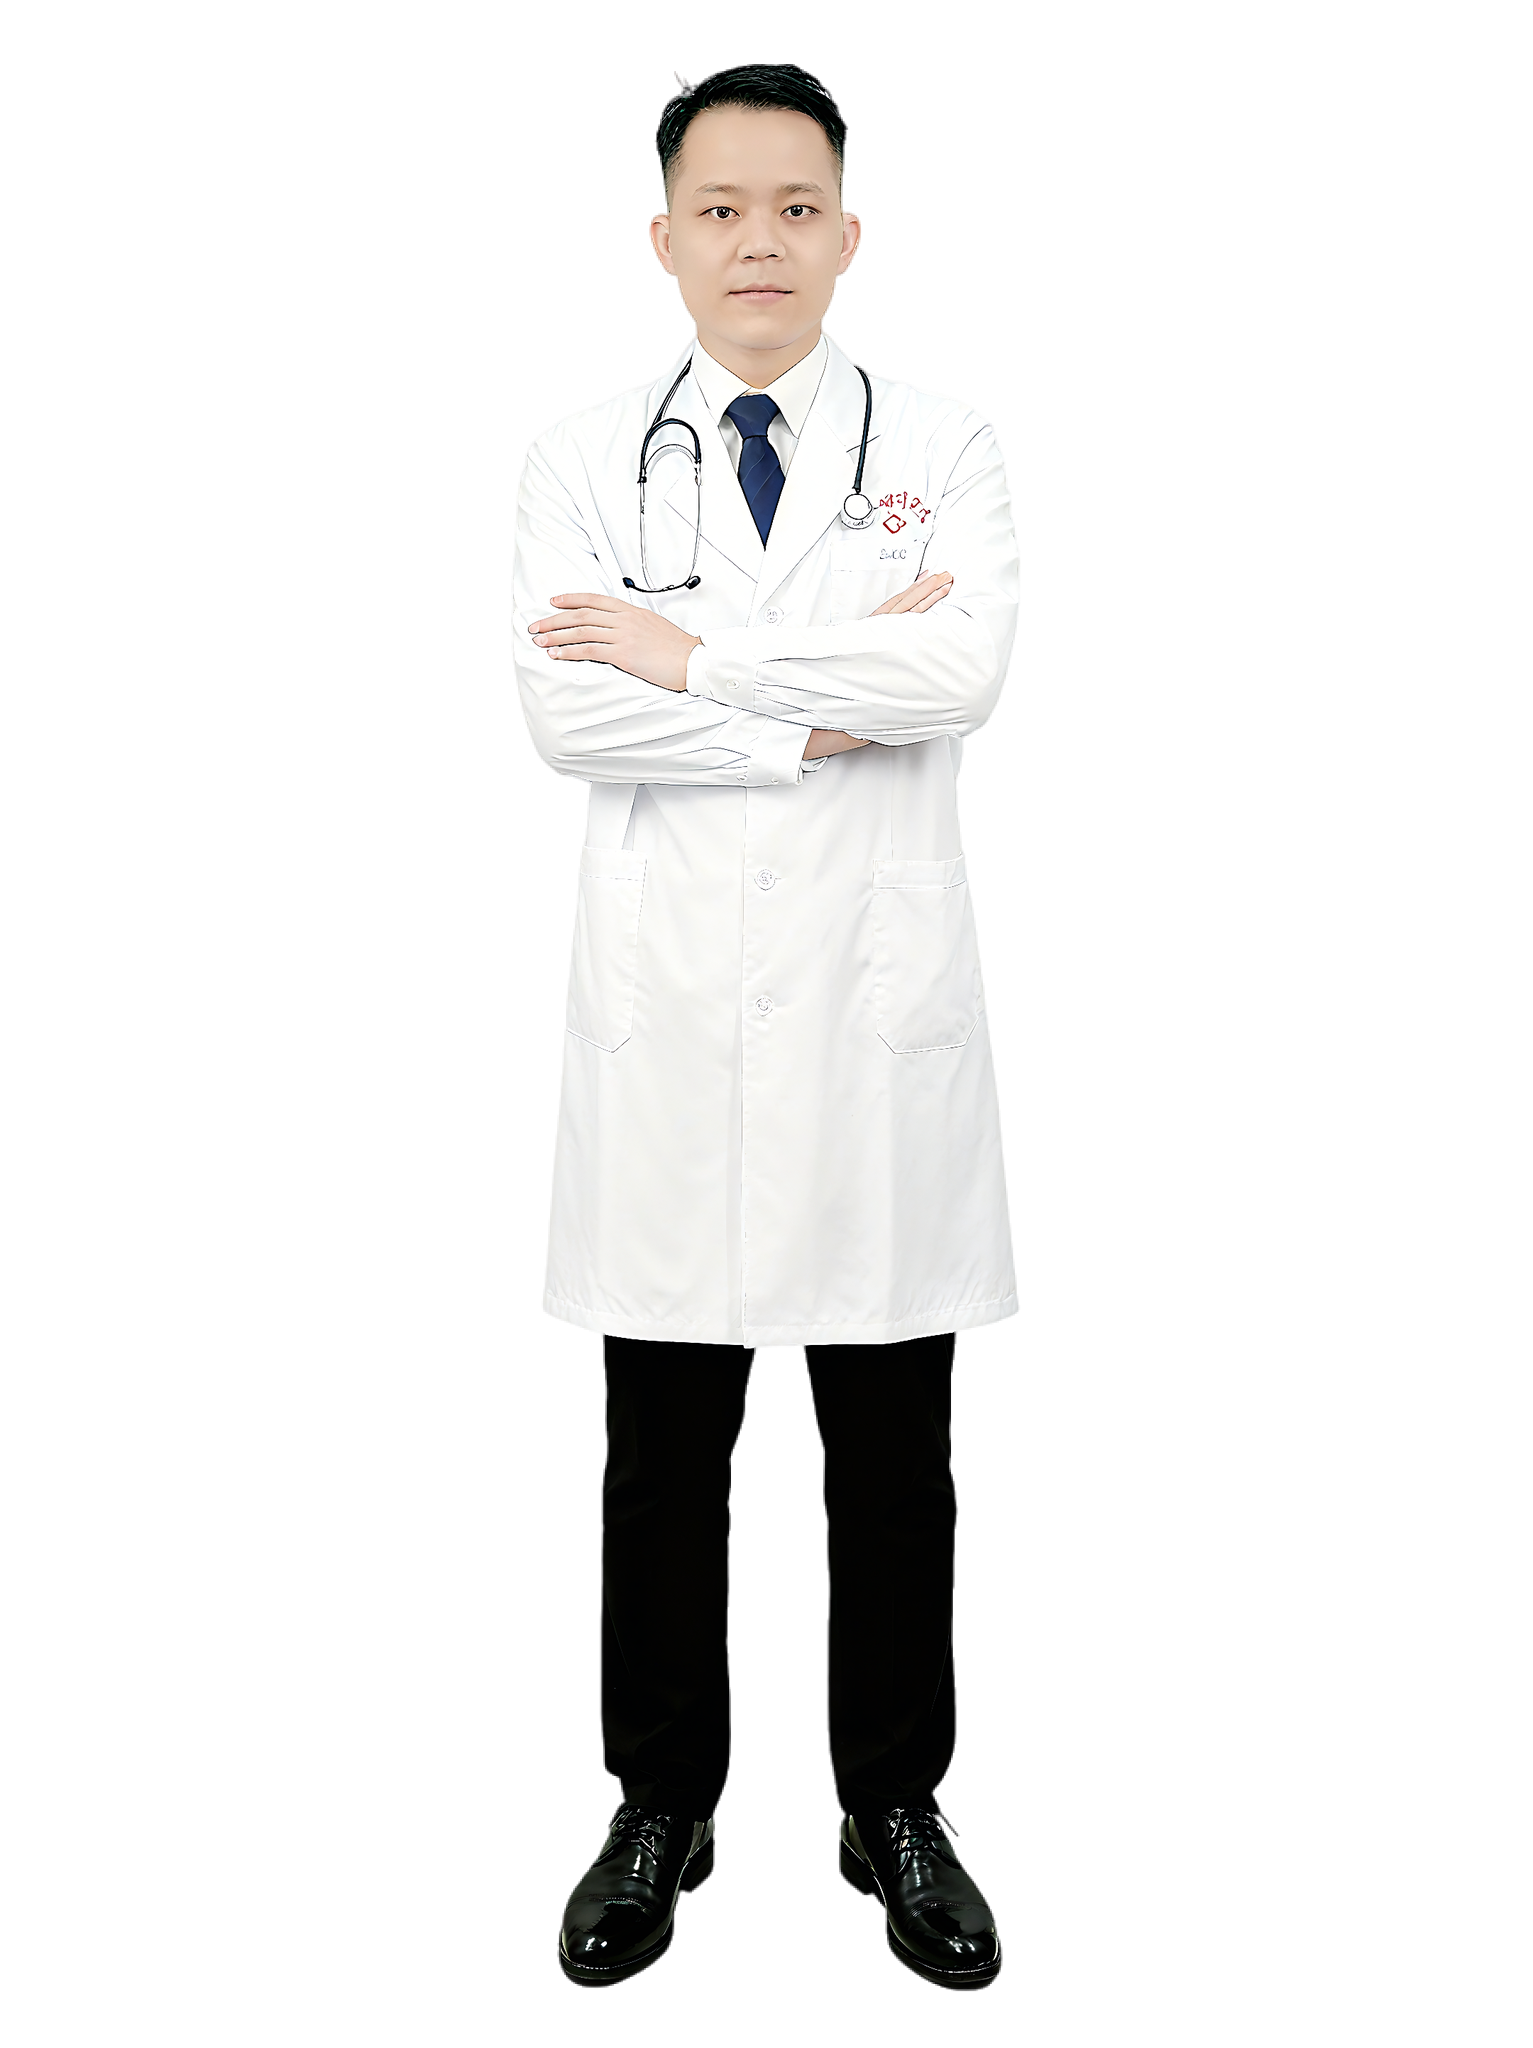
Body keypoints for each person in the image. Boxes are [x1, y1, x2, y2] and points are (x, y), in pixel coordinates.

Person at [511, 61, 1018, 1990]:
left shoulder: (944, 442)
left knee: (893, 1455)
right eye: (720, 209)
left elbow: (960, 674)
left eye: (797, 207)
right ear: (665, 239)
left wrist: (695, 657)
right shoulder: (580, 458)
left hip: (873, 1022)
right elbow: (568, 718)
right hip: (675, 1022)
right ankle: (661, 1802)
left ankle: (900, 1807)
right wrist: (816, 712)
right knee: (663, 1458)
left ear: (850, 235)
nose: (759, 243)